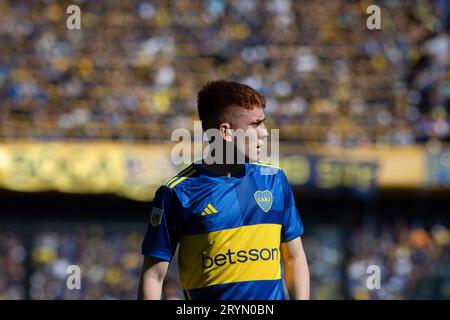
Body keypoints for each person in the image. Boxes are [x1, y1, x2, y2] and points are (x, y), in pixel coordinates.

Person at [138, 80, 309, 300]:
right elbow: (154, 277)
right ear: (226, 132)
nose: (265, 134)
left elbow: (294, 258)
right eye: (255, 125)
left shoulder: (275, 180)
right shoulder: (177, 193)